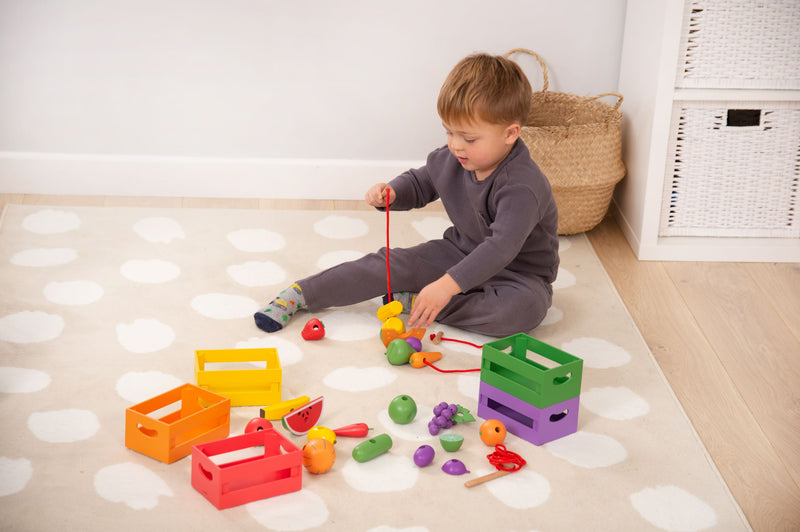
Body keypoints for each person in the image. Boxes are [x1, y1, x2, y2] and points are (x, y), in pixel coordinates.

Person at [254, 52, 559, 338]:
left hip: (518, 278)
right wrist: (393, 192)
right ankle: (301, 294)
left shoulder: (522, 186)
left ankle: (423, 302)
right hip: (459, 252)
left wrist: (445, 287)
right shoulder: (455, 158)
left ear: (510, 134)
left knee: (519, 313)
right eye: (449, 132)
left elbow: (500, 249)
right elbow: (421, 183)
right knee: (393, 264)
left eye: (468, 137)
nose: (455, 145)